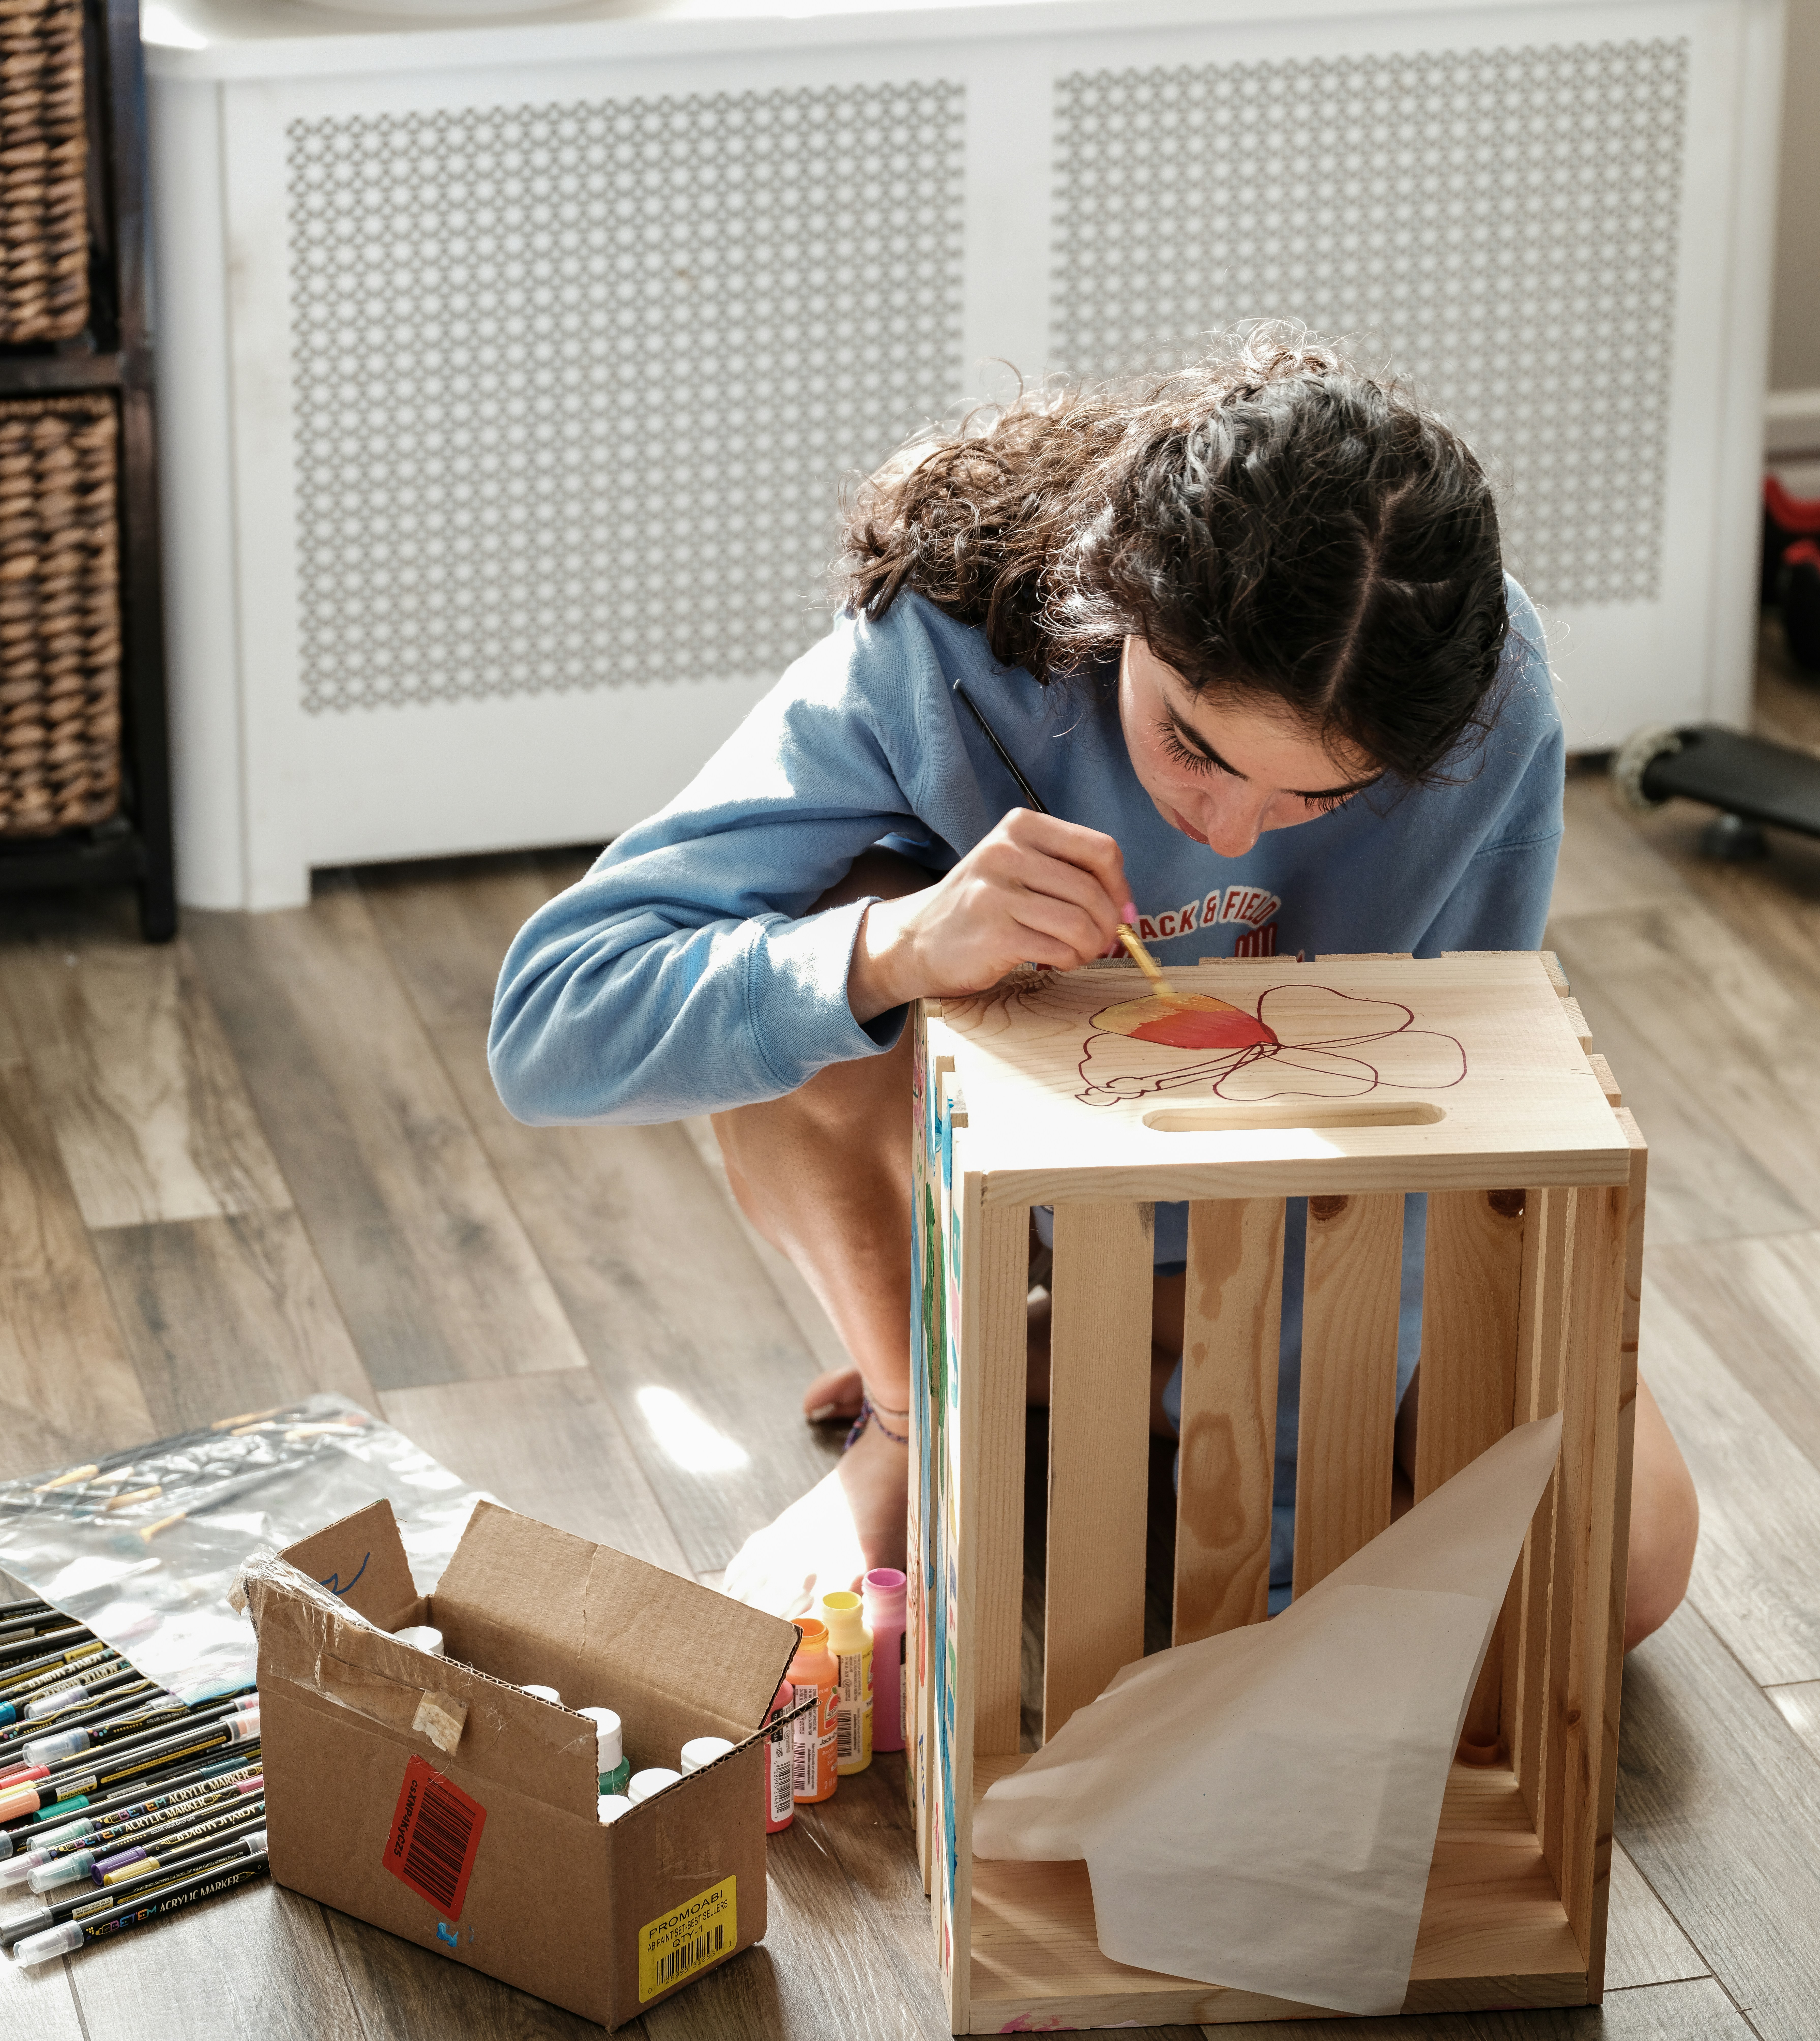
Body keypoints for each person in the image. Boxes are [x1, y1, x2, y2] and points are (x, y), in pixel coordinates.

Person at [489, 332, 1697, 1650]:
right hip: (1022, 1195)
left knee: (1621, 1565)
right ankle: (922, 1418)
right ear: (1114, 600)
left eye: (1320, 795)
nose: (1235, 833)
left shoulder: (1487, 690)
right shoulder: (938, 649)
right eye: (1189, 744)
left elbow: (1449, 1149)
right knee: (836, 928)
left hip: (1313, 1223)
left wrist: (1282, 1552)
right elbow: (551, 1025)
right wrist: (897, 949)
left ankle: (1070, 1359)